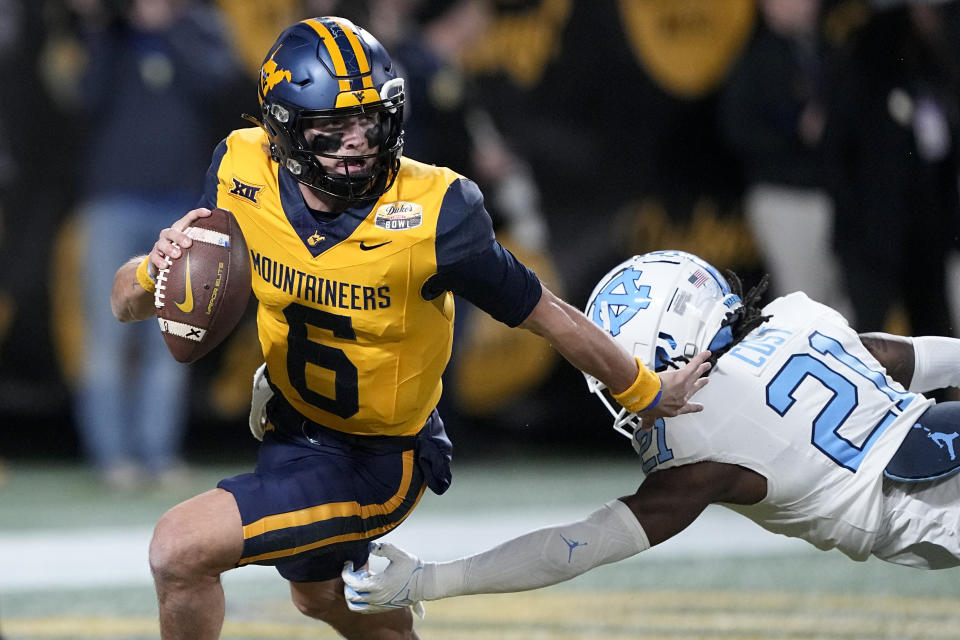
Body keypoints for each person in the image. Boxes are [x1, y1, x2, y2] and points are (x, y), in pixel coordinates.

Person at [109, 17, 710, 640]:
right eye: (332, 128)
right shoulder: (241, 168)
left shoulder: (434, 209)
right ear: (282, 131)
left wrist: (644, 391)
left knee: (178, 550)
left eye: (369, 120)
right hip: (291, 430)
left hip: (376, 459)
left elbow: (548, 315)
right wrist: (154, 268)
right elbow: (126, 300)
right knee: (320, 598)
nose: (357, 142)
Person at [342, 249, 960, 615]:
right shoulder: (799, 317)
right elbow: (915, 358)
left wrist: (429, 579)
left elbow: (576, 545)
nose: (624, 392)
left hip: (933, 504)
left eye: (628, 373)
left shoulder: (698, 437)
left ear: (672, 347)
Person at [67, 0, 244, 489]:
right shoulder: (110, 31)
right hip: (112, 201)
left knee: (174, 332)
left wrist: (171, 29)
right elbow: (85, 97)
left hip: (179, 205)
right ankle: (112, 458)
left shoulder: (200, 27)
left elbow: (220, 86)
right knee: (108, 333)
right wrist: (107, 29)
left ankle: (158, 454)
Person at [719, 0, 851, 317]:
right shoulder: (755, 56)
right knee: (804, 304)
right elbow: (737, 128)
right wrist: (795, 131)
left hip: (834, 194)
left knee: (844, 306)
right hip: (784, 195)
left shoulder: (825, 49)